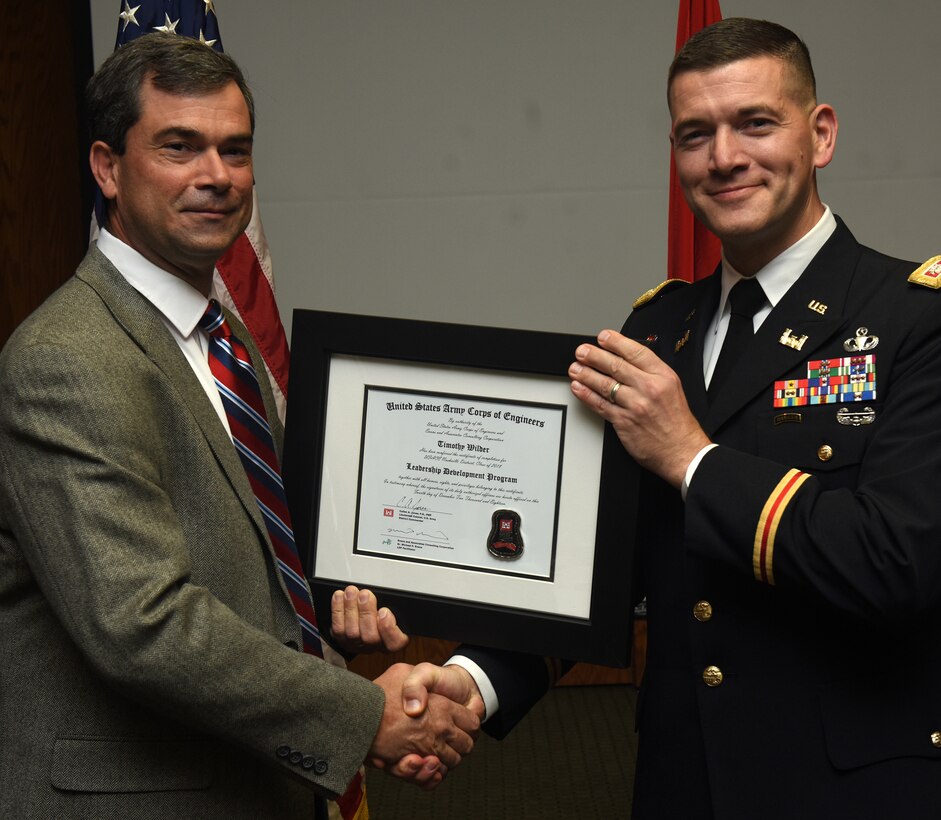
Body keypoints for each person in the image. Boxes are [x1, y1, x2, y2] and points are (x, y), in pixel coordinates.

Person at [406, 17, 941, 819]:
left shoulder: (911, 320)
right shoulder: (658, 330)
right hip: (680, 782)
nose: (723, 157)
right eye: (695, 134)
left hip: (846, 791)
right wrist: (471, 685)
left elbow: (895, 563)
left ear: (820, 133)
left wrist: (691, 456)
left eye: (754, 123)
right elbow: (599, 573)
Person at [0, 33, 482, 819]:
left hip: (247, 780)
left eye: (235, 149)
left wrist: (330, 607)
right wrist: (368, 716)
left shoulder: (224, 337)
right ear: (107, 168)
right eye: (179, 147)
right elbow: (142, 625)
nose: (215, 177)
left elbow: (250, 553)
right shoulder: (68, 360)